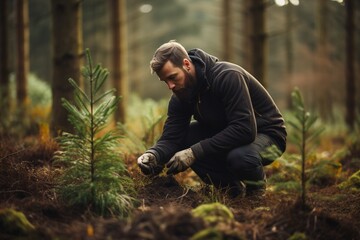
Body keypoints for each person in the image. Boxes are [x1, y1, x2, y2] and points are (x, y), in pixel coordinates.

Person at [137, 40, 287, 197]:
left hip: (267, 135)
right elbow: (172, 137)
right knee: (188, 136)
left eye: (173, 77)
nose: (170, 86)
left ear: (187, 64)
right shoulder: (180, 96)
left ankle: (256, 192)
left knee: (240, 157)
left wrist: (194, 152)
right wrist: (153, 155)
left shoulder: (228, 76)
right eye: (165, 81)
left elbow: (245, 130)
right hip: (227, 132)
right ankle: (232, 189)